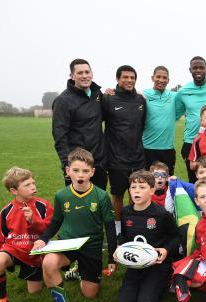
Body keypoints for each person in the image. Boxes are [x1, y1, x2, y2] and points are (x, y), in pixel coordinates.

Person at [32, 148, 117, 302]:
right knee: (48, 263)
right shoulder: (61, 195)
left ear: (92, 172)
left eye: (85, 171)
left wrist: (111, 256)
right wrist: (43, 238)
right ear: (67, 170)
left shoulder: (101, 196)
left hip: (90, 247)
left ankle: (78, 270)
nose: (80, 175)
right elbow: (56, 221)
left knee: (90, 294)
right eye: (76, 170)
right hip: (67, 243)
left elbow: (109, 227)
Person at [0, 167, 53, 302]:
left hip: (35, 252)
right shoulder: (6, 211)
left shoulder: (43, 205)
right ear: (14, 191)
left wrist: (33, 220)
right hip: (14, 249)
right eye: (27, 185)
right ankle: (1, 299)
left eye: (33, 183)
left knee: (34, 291)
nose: (33, 187)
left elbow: (50, 229)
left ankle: (38, 272)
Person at [115, 170, 180, 302]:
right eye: (133, 187)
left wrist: (166, 250)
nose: (136, 191)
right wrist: (119, 247)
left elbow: (176, 236)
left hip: (157, 265)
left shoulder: (161, 214)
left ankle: (164, 281)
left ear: (152, 190)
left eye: (142, 187)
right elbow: (124, 236)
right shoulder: (126, 212)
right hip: (136, 263)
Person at [52, 58, 107, 189]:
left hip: (99, 163)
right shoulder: (62, 101)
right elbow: (60, 135)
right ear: (72, 76)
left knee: (98, 205)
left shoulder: (97, 95)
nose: (84, 76)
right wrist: (68, 165)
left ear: (92, 74)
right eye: (80, 73)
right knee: (77, 206)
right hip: (78, 166)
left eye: (87, 72)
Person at [103, 65, 146, 230]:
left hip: (138, 157)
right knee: (118, 195)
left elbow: (141, 125)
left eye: (132, 78)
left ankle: (132, 226)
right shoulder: (108, 99)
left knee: (136, 193)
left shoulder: (140, 100)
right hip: (116, 158)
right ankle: (118, 229)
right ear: (117, 79)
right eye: (125, 77)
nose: (129, 80)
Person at [175, 56, 206, 183]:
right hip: (191, 141)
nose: (198, 70)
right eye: (195, 68)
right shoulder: (183, 91)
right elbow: (175, 113)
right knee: (194, 182)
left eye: (201, 67)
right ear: (190, 70)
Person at [142, 66, 177, 173]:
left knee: (167, 183)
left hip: (168, 149)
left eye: (164, 78)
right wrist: (112, 91)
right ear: (152, 78)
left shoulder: (174, 96)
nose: (161, 80)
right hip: (147, 148)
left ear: (168, 80)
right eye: (158, 77)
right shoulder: (143, 94)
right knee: (148, 184)